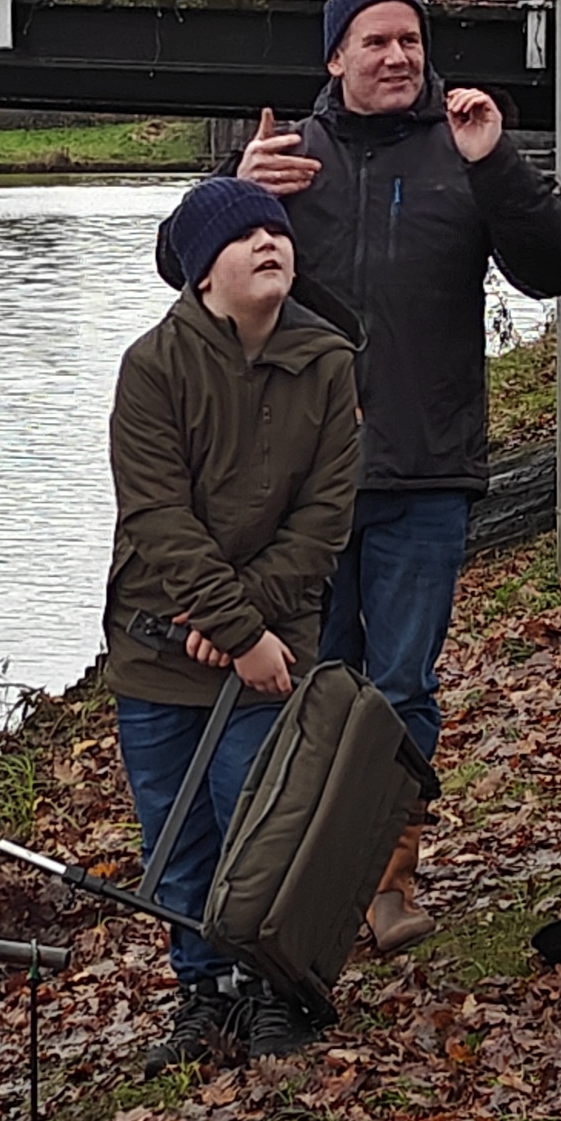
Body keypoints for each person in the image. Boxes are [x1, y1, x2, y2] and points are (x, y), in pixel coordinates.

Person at [232, 0, 561, 947]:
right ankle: (306, 874)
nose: (397, 57)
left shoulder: (463, 149)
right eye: (375, 42)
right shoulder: (287, 160)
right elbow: (183, 276)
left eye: (410, 41)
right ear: (335, 59)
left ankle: (386, 877)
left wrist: (495, 163)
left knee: (400, 687)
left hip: (426, 469)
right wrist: (233, 196)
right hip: (301, 481)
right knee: (314, 681)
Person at [104, 176, 363, 1064]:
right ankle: (203, 993)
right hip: (158, 646)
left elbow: (325, 518)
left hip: (273, 647)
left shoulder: (329, 362)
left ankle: (277, 986)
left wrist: (251, 631)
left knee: (264, 820)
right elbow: (156, 516)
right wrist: (232, 627)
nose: (268, 243)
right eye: (243, 234)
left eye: (276, 231)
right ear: (202, 272)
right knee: (178, 835)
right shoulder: (153, 367)